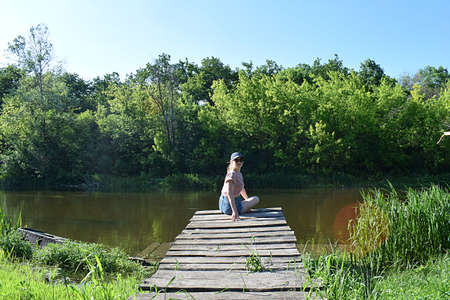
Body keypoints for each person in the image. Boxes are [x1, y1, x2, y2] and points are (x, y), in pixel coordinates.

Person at [219, 152, 260, 221]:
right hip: (228, 206)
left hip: (226, 204)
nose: (239, 162)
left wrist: (247, 200)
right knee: (256, 199)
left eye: (241, 160)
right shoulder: (232, 174)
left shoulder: (238, 173)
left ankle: (241, 206)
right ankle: (236, 209)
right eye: (236, 160)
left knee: (251, 200)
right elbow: (229, 194)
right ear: (231, 162)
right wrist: (235, 212)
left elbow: (241, 189)